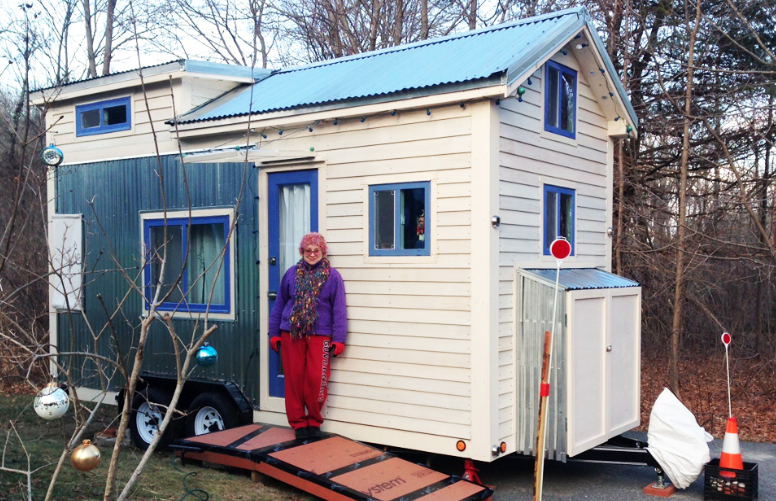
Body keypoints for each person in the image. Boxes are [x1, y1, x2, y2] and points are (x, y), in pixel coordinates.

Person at [268, 232, 347, 439]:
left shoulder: (333, 276)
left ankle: (314, 420)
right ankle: (298, 423)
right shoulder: (291, 274)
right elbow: (279, 304)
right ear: (302, 252)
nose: (312, 254)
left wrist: (339, 338)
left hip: (321, 334)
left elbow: (339, 309)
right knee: (294, 379)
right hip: (291, 333)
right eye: (308, 250)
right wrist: (274, 333)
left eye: (316, 250)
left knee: (317, 378)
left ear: (323, 252)